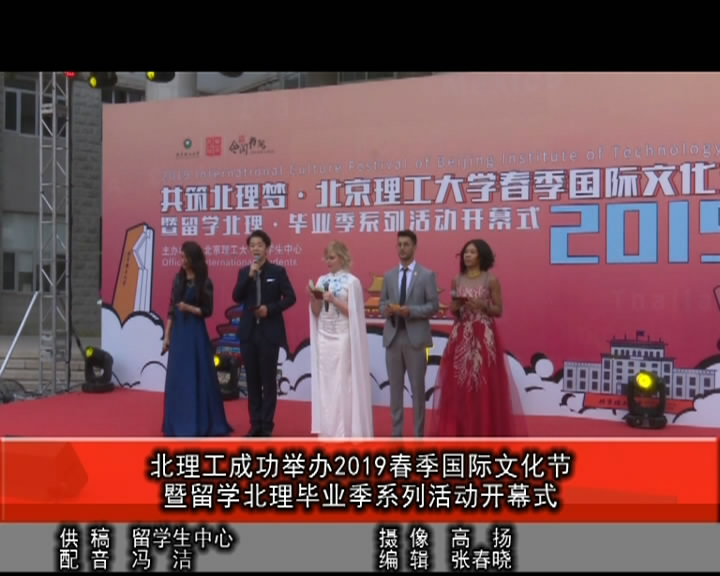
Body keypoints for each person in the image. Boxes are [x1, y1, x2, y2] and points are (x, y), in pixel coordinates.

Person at [430, 239, 528, 437]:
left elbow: (498, 310)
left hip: (484, 336)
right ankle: (459, 431)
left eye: (472, 252)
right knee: (458, 383)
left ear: (481, 255)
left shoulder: (491, 280)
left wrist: (482, 305)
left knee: (482, 382)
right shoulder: (457, 280)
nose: (467, 255)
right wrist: (457, 306)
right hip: (461, 335)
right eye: (465, 252)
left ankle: (484, 430)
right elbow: (453, 308)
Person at [162, 241, 233, 437]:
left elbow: (207, 311)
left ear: (194, 259)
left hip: (195, 332)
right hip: (179, 332)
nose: (183, 260)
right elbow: (172, 309)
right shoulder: (178, 279)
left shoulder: (205, 282)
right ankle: (177, 422)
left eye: (186, 257)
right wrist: (167, 336)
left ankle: (200, 421)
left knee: (198, 374)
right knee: (178, 376)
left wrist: (189, 308)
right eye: (181, 256)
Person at [232, 230, 296, 437]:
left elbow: (291, 297)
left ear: (267, 248)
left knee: (268, 382)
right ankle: (255, 424)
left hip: (269, 333)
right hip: (249, 333)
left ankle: (267, 426)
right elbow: (237, 296)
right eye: (252, 245)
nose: (256, 248)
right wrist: (249, 276)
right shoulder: (244, 272)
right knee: (252, 381)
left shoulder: (277, 271)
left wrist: (270, 309)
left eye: (259, 245)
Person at [308, 240, 374, 438]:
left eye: (332, 257)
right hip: (324, 336)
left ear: (342, 258)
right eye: (326, 258)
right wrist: (313, 297)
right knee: (326, 382)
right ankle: (328, 430)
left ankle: (344, 431)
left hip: (342, 336)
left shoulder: (352, 282)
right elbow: (316, 312)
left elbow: (355, 314)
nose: (328, 261)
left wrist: (334, 300)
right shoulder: (321, 280)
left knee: (342, 382)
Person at [379, 230, 439, 437]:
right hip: (393, 338)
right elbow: (381, 303)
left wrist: (411, 311)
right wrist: (387, 310)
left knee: (418, 390)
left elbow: (433, 306)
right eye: (399, 244)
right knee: (395, 391)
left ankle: (418, 436)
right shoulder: (389, 275)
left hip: (417, 341)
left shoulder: (426, 275)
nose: (402, 248)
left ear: (414, 247)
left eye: (406, 244)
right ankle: (396, 435)